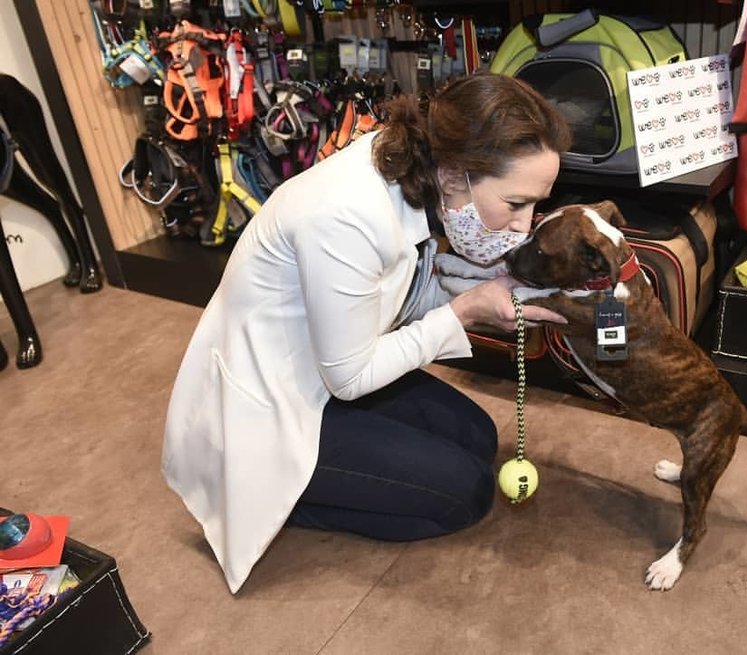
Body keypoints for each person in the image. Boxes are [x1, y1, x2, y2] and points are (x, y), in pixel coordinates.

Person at [162, 73, 572, 593]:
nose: (523, 225)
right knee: (463, 496)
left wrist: (476, 290)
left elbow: (398, 296)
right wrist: (465, 311)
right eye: (516, 204)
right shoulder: (345, 215)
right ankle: (267, 497)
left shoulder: (412, 169)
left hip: (322, 365)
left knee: (478, 438)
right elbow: (350, 379)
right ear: (454, 174)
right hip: (271, 406)